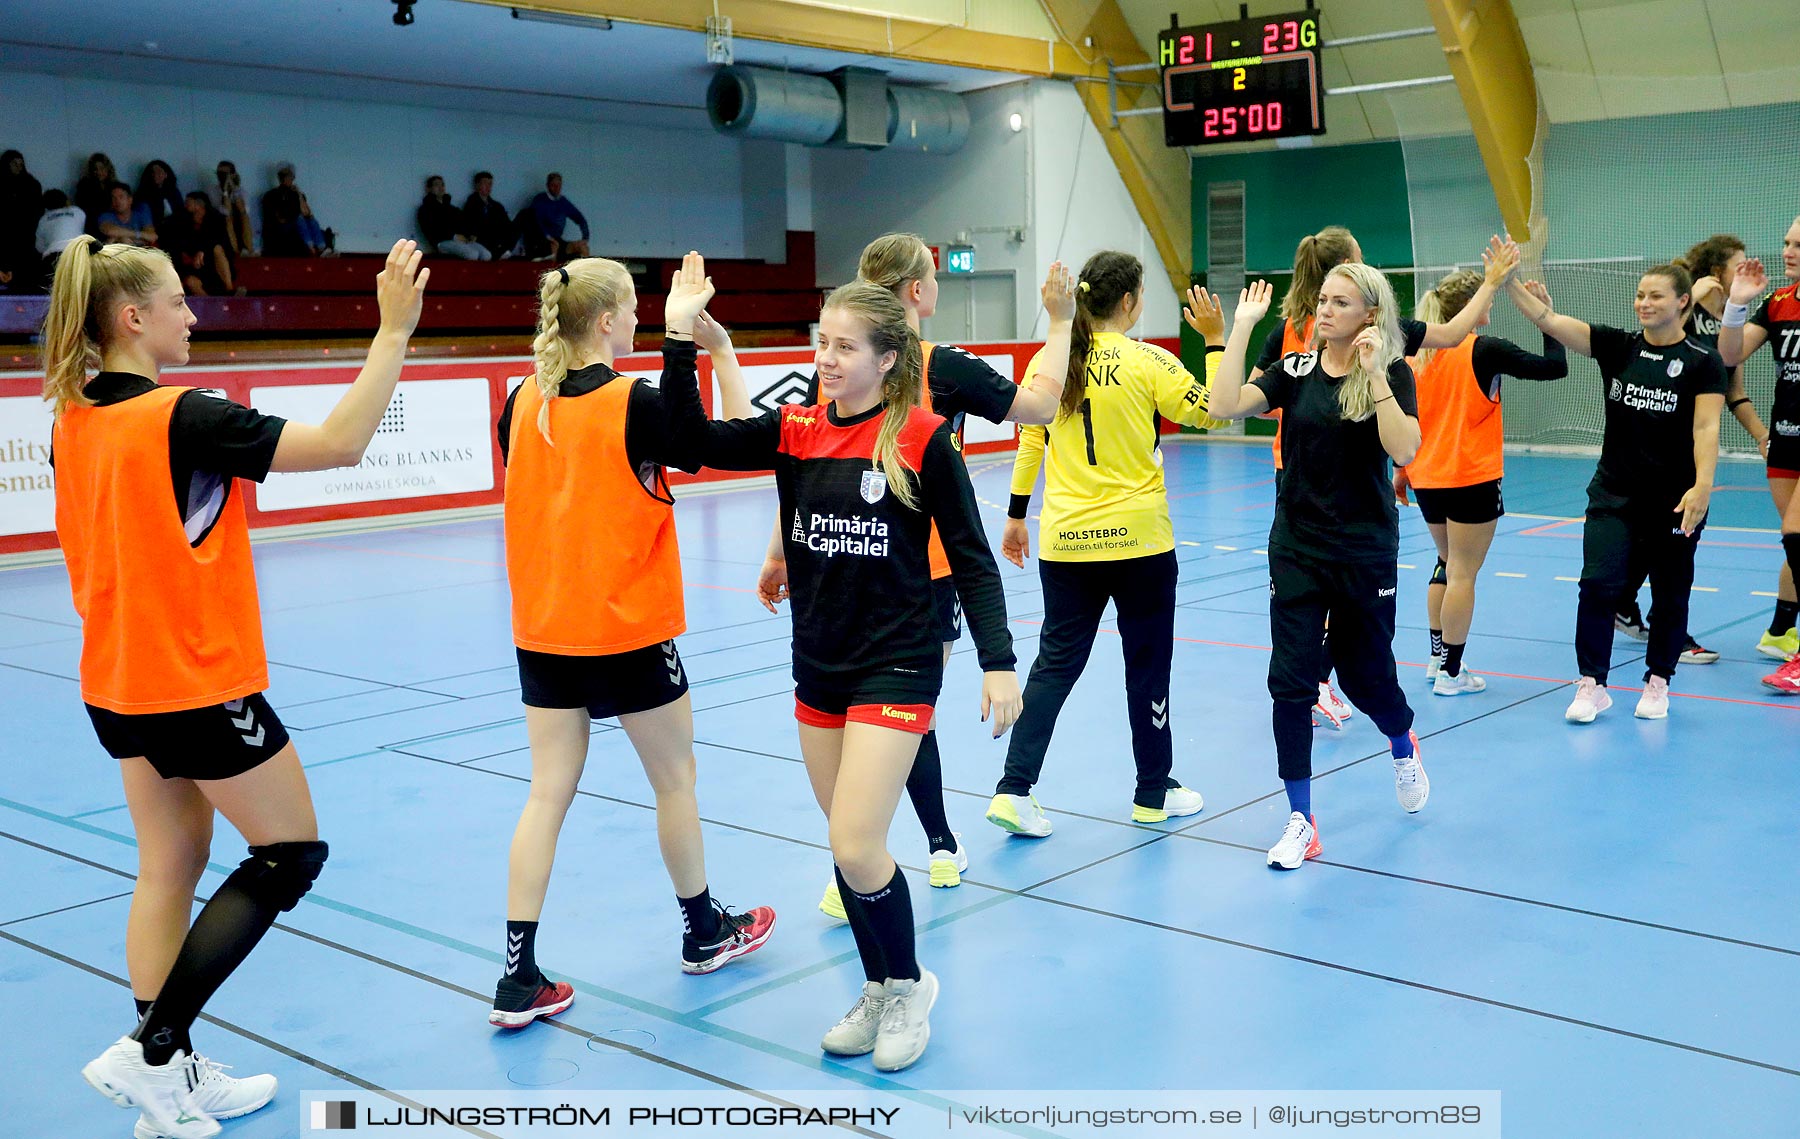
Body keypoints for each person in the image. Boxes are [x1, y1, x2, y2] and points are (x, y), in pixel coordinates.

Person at [54, 238, 428, 1139]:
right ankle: (151, 1049)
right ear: (132, 319)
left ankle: (166, 1080)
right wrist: (392, 332)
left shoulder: (70, 416)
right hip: (193, 683)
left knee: (169, 864)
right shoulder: (185, 416)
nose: (195, 315)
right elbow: (340, 444)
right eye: (179, 303)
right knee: (289, 853)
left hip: (116, 684)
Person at [671, 281, 1022, 1072]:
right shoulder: (795, 429)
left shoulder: (926, 440)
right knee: (845, 843)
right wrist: (680, 341)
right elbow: (691, 440)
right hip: (819, 665)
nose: (825, 358)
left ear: (887, 358)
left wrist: (998, 662)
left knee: (857, 839)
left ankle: (908, 986)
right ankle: (877, 984)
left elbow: (971, 558)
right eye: (820, 342)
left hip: (896, 662)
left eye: (844, 347)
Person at [489, 252, 774, 1028]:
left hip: (545, 631)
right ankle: (703, 930)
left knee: (546, 791)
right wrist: (695, 343)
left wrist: (691, 345)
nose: (643, 316)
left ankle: (517, 974)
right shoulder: (633, 401)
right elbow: (701, 444)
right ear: (610, 320)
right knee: (675, 780)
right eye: (636, 308)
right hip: (628, 629)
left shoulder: (519, 399)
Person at [756, 233, 1069, 913]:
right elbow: (1040, 406)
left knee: (894, 716)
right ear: (920, 292)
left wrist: (780, 550)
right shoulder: (933, 364)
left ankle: (901, 848)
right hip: (907, 572)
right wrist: (1062, 324)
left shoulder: (859, 371)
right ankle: (904, 848)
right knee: (897, 717)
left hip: (889, 569)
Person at [984, 252, 1227, 838]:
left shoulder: (1051, 359)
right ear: (1129, 302)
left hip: (1065, 542)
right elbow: (1214, 415)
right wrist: (1215, 343)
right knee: (1148, 666)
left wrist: (1016, 514)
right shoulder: (1151, 362)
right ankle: (1151, 794)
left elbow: (1030, 443)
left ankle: (1014, 789)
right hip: (1141, 542)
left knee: (1056, 662)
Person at [1206, 267, 1428, 871]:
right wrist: (1241, 329)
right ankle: (1302, 818)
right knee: (1292, 680)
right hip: (1298, 549)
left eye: (1340, 302)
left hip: (1363, 550)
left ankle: (1401, 739)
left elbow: (1405, 449)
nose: (1325, 310)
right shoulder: (1296, 371)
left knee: (1365, 678)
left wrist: (1377, 371)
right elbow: (1223, 406)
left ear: (1369, 315)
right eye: (1322, 300)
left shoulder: (1394, 373)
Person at [1251, 226, 1517, 727]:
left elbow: (1256, 402)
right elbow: (1453, 333)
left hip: (1292, 470)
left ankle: (1322, 682)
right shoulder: (1342, 332)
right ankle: (1319, 682)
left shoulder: (1291, 326)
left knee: (1318, 592)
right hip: (1332, 478)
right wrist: (1490, 283)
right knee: (1333, 590)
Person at [1507, 266, 1726, 721]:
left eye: (1656, 296)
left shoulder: (1702, 361)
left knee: (1670, 593)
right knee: (1598, 585)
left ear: (1683, 302)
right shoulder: (1618, 345)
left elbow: (1706, 427)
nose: (1644, 303)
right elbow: (1549, 319)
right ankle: (1592, 684)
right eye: (1640, 295)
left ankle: (1658, 682)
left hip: (1674, 500)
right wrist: (1505, 282)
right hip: (1613, 494)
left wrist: (1702, 486)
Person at [1392, 260, 1568, 694]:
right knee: (1464, 574)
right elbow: (1554, 368)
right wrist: (1548, 321)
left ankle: (1437, 660)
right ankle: (1452, 673)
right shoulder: (1483, 348)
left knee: (1447, 563)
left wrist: (1401, 470)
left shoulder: (1417, 354)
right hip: (1471, 477)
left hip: (1427, 477)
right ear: (1477, 303)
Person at [1613, 234, 1765, 664]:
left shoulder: (1728, 323)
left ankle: (1631, 610)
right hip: (1653, 445)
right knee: (1661, 546)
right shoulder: (1689, 307)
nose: (1747, 268)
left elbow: (1731, 388)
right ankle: (1663, 633)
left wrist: (1760, 435)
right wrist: (1694, 299)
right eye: (1738, 263)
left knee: (1670, 546)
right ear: (1717, 272)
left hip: (1688, 455)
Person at [1719, 219, 1800, 692]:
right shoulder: (1779, 304)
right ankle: (1782, 628)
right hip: (1786, 438)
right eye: (1787, 242)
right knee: (1795, 541)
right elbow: (1728, 357)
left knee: (1796, 531)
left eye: (1798, 245)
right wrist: (1735, 305)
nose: (1787, 251)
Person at [160, 192, 237, 296]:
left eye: (188, 202)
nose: (185, 204)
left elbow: (219, 241)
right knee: (190, 282)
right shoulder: (183, 221)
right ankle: (211, 305)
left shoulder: (216, 219)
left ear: (199, 204)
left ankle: (229, 290)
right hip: (195, 267)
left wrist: (203, 251)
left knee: (217, 249)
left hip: (214, 264)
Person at [260, 165, 329, 257]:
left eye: (292, 177)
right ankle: (310, 247)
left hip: (296, 222)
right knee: (299, 218)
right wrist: (292, 217)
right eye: (289, 177)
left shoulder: (296, 194)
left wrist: (299, 194)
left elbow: (307, 213)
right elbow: (278, 218)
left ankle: (322, 248)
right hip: (282, 225)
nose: (291, 180)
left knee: (312, 220)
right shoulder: (272, 195)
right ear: (282, 178)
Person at [417, 175, 491, 260]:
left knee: (486, 255)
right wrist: (453, 236)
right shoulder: (425, 209)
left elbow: (465, 222)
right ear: (429, 189)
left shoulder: (452, 209)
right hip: (442, 242)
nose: (441, 188)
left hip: (462, 240)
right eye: (437, 185)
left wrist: (470, 234)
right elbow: (432, 230)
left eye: (442, 185)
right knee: (472, 254)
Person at [0, 149, 44, 291]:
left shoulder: (32, 185)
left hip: (27, 238)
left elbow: (38, 210)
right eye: (14, 163)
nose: (18, 167)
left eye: (21, 164)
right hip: (5, 238)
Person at [531, 173, 589, 261]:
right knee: (554, 247)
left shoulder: (563, 202)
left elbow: (580, 218)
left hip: (558, 240)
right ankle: (551, 273)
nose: (556, 188)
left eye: (558, 185)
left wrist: (585, 238)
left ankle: (588, 273)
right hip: (543, 240)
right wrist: (548, 236)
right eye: (553, 185)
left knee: (583, 247)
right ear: (548, 186)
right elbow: (536, 221)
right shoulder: (540, 200)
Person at [36, 189, 86, 286]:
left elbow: (39, 247)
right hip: (75, 255)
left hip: (52, 258)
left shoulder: (43, 219)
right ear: (66, 200)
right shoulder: (78, 212)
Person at [207, 161, 256, 259]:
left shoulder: (241, 191)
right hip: (221, 221)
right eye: (220, 174)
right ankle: (235, 250)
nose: (222, 177)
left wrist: (234, 189)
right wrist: (225, 192)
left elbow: (244, 210)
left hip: (238, 220)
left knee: (244, 217)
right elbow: (224, 212)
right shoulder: (212, 191)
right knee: (227, 219)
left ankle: (249, 248)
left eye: (225, 174)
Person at [463, 171, 515, 260]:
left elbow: (507, 224)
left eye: (490, 184)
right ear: (477, 185)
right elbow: (470, 225)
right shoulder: (471, 204)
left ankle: (504, 250)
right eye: (485, 183)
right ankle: (499, 252)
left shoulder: (497, 206)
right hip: (483, 239)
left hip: (498, 237)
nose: (488, 186)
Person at [98, 183, 159, 248]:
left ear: (130, 200)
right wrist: (138, 236)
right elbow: (109, 231)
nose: (117, 201)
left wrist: (118, 237)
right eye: (114, 198)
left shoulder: (140, 215)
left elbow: (152, 236)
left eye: (121, 197)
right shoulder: (105, 216)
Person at [75, 152, 118, 236]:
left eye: (102, 168)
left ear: (108, 169)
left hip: (114, 223)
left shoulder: (115, 186)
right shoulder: (84, 186)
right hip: (93, 225)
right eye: (95, 169)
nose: (98, 172)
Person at [135, 161, 184, 229]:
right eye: (152, 172)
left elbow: (181, 211)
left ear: (166, 174)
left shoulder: (174, 192)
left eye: (159, 172)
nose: (155, 175)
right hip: (154, 229)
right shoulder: (142, 194)